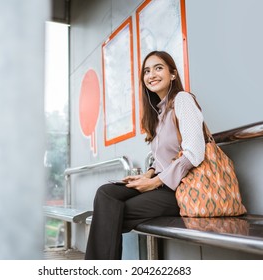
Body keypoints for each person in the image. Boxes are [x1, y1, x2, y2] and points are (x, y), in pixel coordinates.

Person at [85, 51, 206, 260]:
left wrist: (156, 181)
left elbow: (194, 153)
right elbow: (162, 158)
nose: (152, 75)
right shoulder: (158, 113)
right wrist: (147, 176)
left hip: (181, 190)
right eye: (147, 71)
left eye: (158, 68)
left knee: (112, 213)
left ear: (173, 74)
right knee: (106, 194)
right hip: (160, 185)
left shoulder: (183, 100)